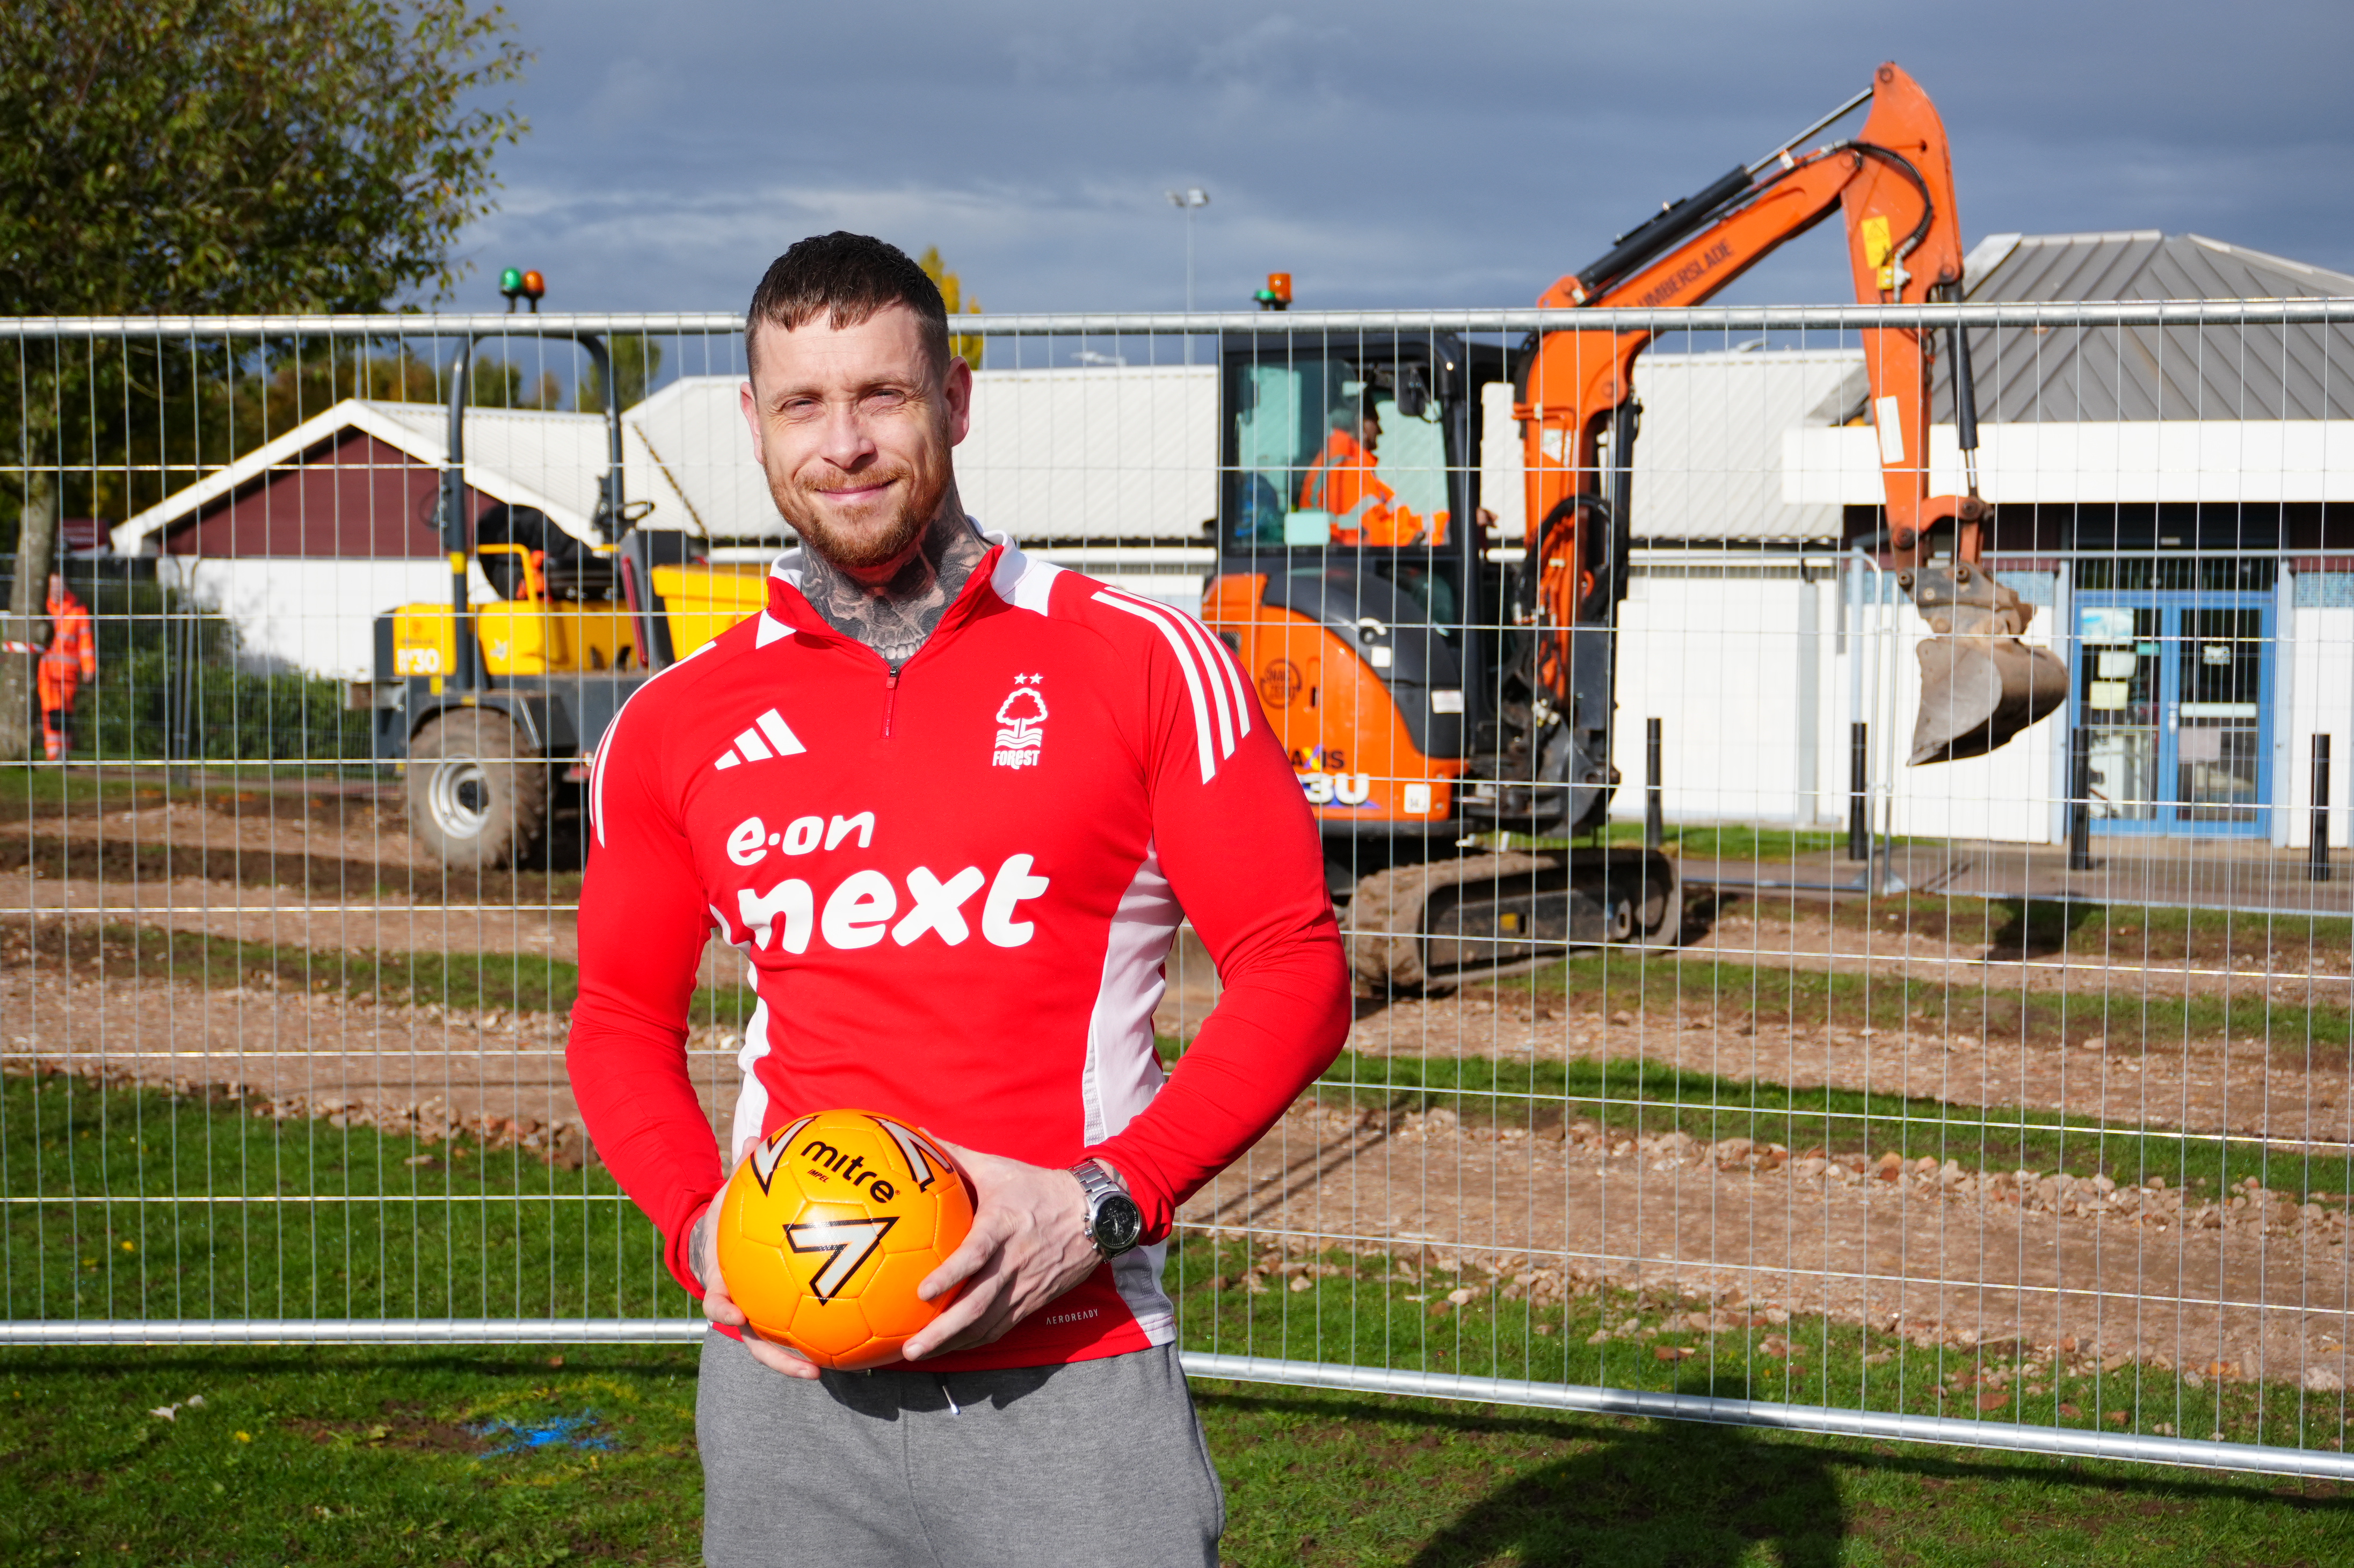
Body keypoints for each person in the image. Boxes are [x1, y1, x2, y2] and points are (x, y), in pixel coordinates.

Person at [565, 232, 1350, 1567]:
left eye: (883, 395)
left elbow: (1295, 967)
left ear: (956, 400)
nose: (848, 443)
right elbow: (616, 1017)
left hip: (1074, 1369)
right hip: (787, 1400)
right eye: (805, 404)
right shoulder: (672, 723)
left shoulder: (1144, 661)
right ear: (754, 426)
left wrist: (1103, 1203)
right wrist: (702, 1234)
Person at [1297, 392, 1448, 547]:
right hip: (1346, 566)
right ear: (1361, 424)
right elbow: (1382, 534)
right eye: (1376, 422)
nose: (1380, 431)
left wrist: (1453, 522)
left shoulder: (1351, 468)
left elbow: (1400, 521)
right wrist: (1437, 544)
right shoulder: (1345, 471)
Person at [37, 573, 95, 761]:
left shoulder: (78, 609)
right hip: (46, 671)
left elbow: (85, 641)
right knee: (51, 710)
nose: (56, 589)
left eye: (59, 585)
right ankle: (54, 753)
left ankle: (64, 752)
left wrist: (89, 667)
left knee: (65, 711)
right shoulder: (42, 607)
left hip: (68, 673)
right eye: (52, 585)